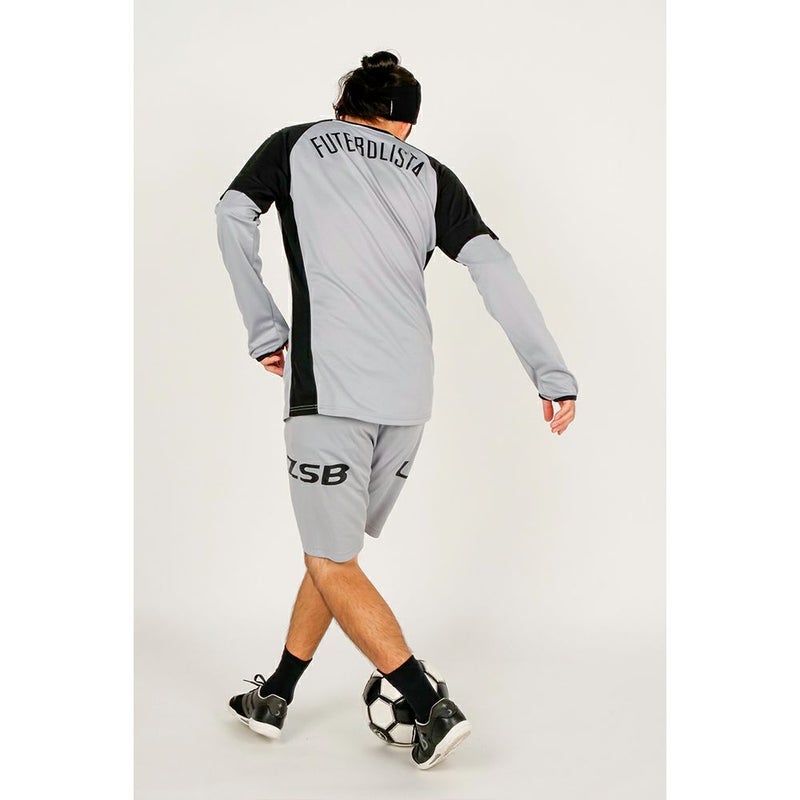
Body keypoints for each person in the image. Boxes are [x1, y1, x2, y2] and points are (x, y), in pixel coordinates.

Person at [214, 50, 578, 770]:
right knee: (335, 554)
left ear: (343, 106)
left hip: (330, 389)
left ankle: (427, 702)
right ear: (406, 125)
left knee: (329, 559)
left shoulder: (296, 144)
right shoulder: (432, 173)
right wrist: (550, 374)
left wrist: (264, 328)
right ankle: (276, 694)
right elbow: (493, 265)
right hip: (410, 396)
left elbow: (231, 214)